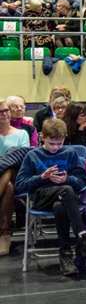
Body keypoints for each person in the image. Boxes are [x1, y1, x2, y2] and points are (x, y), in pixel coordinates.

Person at [15, 119, 86, 276]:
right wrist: (41, 177)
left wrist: (66, 179)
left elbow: (83, 182)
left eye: (59, 144)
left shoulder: (70, 153)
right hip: (42, 197)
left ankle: (65, 256)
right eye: (51, 144)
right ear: (42, 137)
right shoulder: (33, 155)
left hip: (65, 200)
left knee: (61, 206)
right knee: (66, 190)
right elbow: (20, 185)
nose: (55, 148)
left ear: (65, 138)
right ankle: (83, 236)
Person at [0, 99, 29, 255]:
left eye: (6, 111)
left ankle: (4, 234)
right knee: (8, 187)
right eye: (1, 112)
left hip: (18, 174)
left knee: (9, 167)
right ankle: (5, 234)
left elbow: (22, 157)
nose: (4, 114)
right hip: (6, 183)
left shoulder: (21, 133)